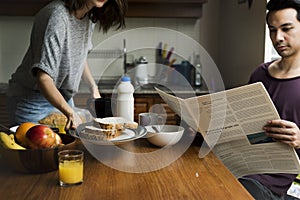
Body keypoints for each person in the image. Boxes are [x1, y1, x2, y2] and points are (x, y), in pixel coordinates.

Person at [7, 0, 128, 130]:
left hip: (63, 98)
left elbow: (79, 56)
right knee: (40, 149)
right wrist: (70, 112)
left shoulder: (87, 17)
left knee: (69, 147)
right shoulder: (57, 16)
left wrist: (93, 88)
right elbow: (44, 78)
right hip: (32, 102)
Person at [238, 0, 300, 199]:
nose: (278, 38)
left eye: (286, 29)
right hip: (239, 165)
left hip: (267, 185)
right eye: (272, 30)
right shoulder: (260, 74)